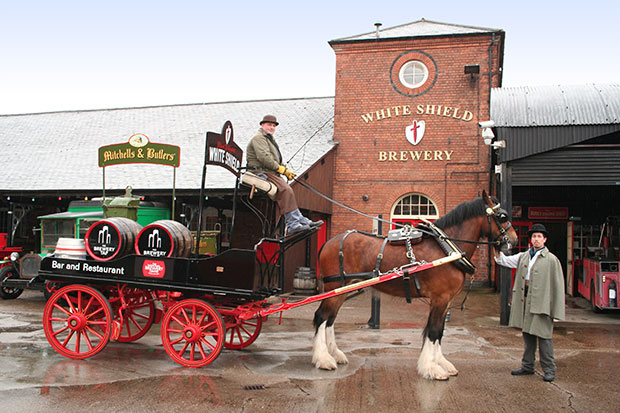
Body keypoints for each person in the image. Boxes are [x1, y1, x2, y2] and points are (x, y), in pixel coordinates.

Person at [494, 223, 565, 382]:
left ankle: (549, 369)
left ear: (545, 240)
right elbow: (503, 261)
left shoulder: (552, 260)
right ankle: (527, 366)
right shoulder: (523, 256)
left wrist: (556, 311)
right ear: (531, 239)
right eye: (534, 236)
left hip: (542, 303)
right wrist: (496, 247)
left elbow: (558, 286)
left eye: (539, 237)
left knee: (544, 337)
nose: (536, 239)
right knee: (527, 335)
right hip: (525, 300)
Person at [246, 115, 323, 234]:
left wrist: (285, 170)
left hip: (271, 171)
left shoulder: (269, 139)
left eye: (273, 125)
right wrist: (281, 170)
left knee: (288, 191)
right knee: (286, 190)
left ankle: (300, 220)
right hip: (260, 171)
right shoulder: (259, 138)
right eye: (269, 125)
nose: (271, 127)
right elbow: (264, 157)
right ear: (262, 125)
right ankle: (292, 225)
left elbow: (276, 159)